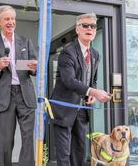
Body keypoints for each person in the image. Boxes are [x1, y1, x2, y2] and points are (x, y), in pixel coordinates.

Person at [50, 13, 111, 166]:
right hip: (63, 109)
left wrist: (92, 93)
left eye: (93, 26)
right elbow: (69, 80)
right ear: (77, 29)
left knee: (80, 152)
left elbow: (93, 80)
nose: (89, 28)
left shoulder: (96, 54)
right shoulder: (67, 52)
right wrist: (93, 91)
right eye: (85, 25)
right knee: (64, 155)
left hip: (82, 110)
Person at [0, 5, 37, 166]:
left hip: (25, 95)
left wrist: (35, 67)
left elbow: (35, 69)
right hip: (4, 98)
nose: (11, 22)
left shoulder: (25, 42)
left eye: (13, 18)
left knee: (28, 139)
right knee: (5, 141)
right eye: (7, 19)